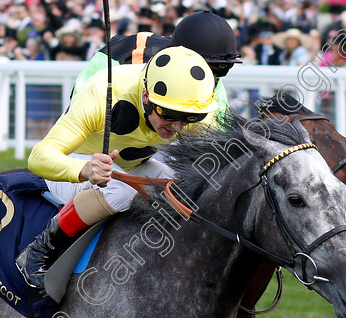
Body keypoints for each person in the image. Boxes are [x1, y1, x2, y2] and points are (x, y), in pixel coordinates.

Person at [16, 46, 218, 292]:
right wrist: (85, 170)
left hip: (128, 167)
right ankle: (40, 249)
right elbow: (39, 157)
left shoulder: (197, 110)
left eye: (189, 118)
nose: (178, 126)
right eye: (169, 114)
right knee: (121, 191)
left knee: (180, 189)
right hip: (76, 164)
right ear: (145, 96)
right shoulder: (104, 91)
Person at [72, 11, 241, 117]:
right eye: (207, 70)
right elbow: (78, 112)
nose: (212, 81)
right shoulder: (126, 60)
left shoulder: (214, 82)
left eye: (219, 73)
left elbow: (218, 135)